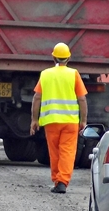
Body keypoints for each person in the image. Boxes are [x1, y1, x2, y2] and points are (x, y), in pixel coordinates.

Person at [30, 42, 88, 194]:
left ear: (53, 58)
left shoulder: (45, 74)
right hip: (70, 122)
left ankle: (57, 181)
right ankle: (63, 181)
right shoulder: (74, 74)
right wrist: (83, 120)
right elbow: (82, 99)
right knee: (67, 152)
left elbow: (37, 98)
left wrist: (34, 120)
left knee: (54, 152)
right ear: (68, 58)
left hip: (51, 121)